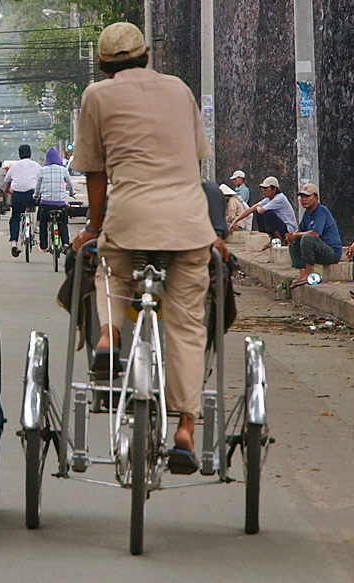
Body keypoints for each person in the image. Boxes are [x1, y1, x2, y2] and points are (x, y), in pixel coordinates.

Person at [71, 22, 229, 474]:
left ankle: (109, 335)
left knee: (111, 271)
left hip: (129, 218)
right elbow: (195, 158)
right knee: (186, 324)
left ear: (102, 65)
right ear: (147, 56)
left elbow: (96, 173)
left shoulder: (97, 96)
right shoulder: (179, 89)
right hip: (188, 224)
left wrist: (93, 228)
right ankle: (185, 429)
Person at [285, 183, 342, 289]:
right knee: (295, 241)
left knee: (307, 238)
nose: (304, 199)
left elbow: (315, 233)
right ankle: (303, 273)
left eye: (307, 196)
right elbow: (301, 230)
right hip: (317, 252)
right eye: (302, 197)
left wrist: (297, 234)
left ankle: (310, 273)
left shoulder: (321, 210)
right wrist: (292, 235)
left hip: (331, 252)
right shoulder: (307, 213)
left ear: (316, 197)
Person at [228, 176, 297, 249]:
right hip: (281, 228)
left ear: (274, 189)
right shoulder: (269, 199)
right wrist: (235, 221)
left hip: (288, 231)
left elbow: (261, 210)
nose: (263, 190)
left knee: (267, 213)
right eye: (263, 188)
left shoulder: (279, 198)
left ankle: (280, 240)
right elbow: (250, 209)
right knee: (259, 214)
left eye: (266, 188)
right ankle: (272, 239)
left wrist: (258, 208)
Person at [5, 144, 41, 257]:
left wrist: (9, 190)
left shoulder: (14, 166)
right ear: (30, 154)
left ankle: (14, 243)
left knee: (15, 218)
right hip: (32, 195)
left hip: (17, 196)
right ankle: (38, 225)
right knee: (42, 205)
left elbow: (7, 180)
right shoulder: (36, 165)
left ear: (19, 154)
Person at [34, 147, 73, 252]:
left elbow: (38, 187)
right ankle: (65, 243)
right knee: (63, 222)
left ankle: (43, 246)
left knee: (43, 223)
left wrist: (36, 195)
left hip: (46, 204)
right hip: (60, 204)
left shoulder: (42, 170)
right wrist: (72, 192)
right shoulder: (63, 170)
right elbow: (70, 184)